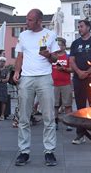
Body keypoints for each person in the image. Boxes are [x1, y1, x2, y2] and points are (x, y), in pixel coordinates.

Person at [12, 9, 60, 167]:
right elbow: (20, 56)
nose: (27, 22)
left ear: (39, 21)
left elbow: (55, 58)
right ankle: (24, 151)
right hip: (26, 78)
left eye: (30, 20)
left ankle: (49, 151)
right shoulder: (23, 35)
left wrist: (48, 55)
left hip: (45, 77)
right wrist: (17, 71)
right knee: (24, 117)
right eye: (27, 19)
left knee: (48, 116)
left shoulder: (50, 35)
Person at [69, 19, 91, 145]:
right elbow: (71, 60)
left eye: (81, 26)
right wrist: (78, 72)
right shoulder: (75, 43)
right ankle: (80, 135)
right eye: (78, 26)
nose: (79, 28)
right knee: (80, 108)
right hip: (78, 79)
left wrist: (87, 72)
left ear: (88, 27)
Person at [51, 37, 73, 131]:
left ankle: (69, 123)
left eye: (60, 45)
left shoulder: (68, 57)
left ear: (64, 46)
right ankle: (55, 122)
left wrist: (64, 69)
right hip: (54, 84)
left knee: (67, 104)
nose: (59, 47)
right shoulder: (52, 57)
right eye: (57, 45)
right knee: (55, 104)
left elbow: (72, 69)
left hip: (66, 83)